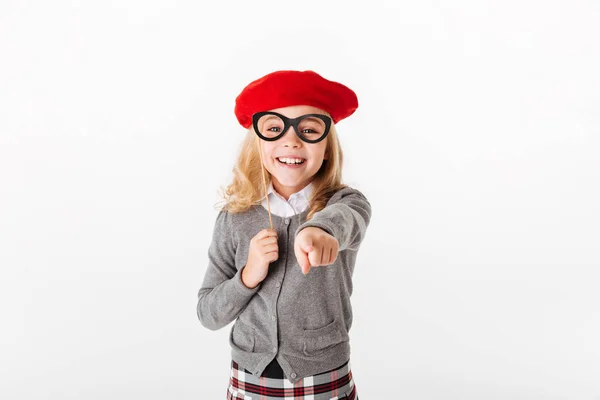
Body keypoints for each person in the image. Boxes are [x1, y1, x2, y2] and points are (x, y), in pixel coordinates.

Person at [197, 70, 371, 400]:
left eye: (308, 131)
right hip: (251, 377)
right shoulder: (234, 217)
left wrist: (320, 231)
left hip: (322, 375)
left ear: (327, 149)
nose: (291, 141)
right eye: (276, 129)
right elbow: (208, 314)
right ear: (258, 144)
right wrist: (247, 276)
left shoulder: (345, 204)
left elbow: (345, 220)